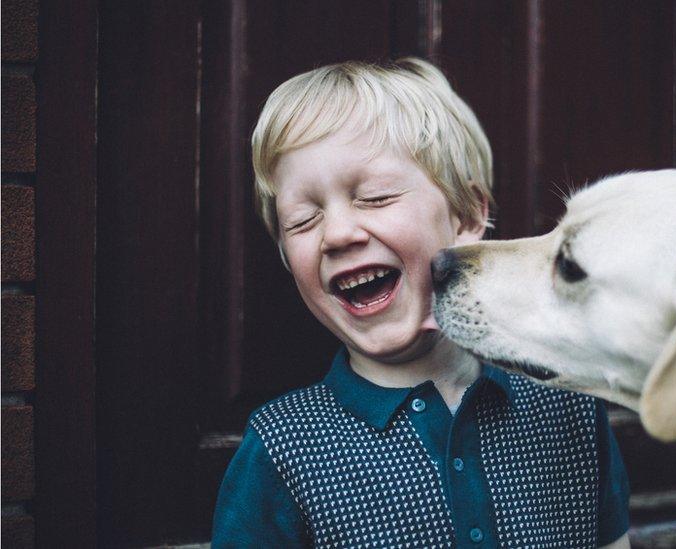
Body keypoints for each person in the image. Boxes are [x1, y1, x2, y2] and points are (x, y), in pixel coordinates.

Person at [211, 57, 630, 548]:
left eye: (376, 197)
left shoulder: (567, 403)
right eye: (303, 220)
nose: (338, 234)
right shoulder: (283, 451)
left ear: (467, 215)